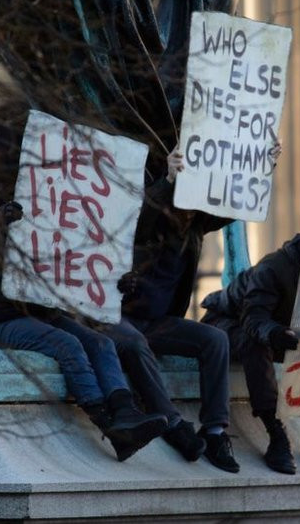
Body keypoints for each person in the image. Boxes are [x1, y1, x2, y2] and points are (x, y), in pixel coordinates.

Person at [0, 117, 167, 463]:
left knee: (101, 342)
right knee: (68, 344)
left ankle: (126, 415)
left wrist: (117, 281)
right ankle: (107, 422)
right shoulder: (11, 216)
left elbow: (85, 275)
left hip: (45, 313)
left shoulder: (73, 221)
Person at [105, 144, 276, 473]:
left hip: (159, 322)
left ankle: (214, 431)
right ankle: (171, 424)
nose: (190, 210)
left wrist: (261, 165)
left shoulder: (196, 224)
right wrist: (169, 179)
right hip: (118, 316)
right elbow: (143, 211)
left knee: (215, 339)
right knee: (135, 345)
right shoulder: (147, 218)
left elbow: (237, 202)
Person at [199, 214, 300, 476]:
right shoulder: (274, 268)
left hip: (283, 329)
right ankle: (275, 434)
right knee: (255, 345)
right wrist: (274, 333)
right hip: (228, 321)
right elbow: (253, 318)